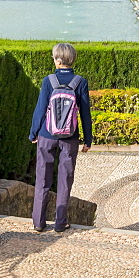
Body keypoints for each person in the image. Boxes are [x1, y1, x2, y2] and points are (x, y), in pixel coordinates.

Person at [30, 43, 92, 233]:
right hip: (70, 137)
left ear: (57, 60)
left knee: (42, 178)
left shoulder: (48, 81)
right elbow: (85, 114)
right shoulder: (80, 82)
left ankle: (39, 223)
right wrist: (87, 139)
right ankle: (60, 222)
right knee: (65, 179)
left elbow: (40, 109)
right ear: (72, 60)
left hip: (47, 135)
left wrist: (34, 132)